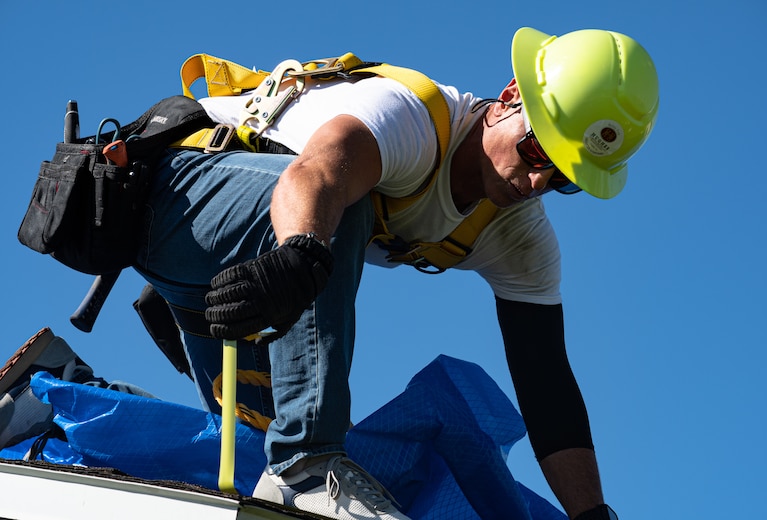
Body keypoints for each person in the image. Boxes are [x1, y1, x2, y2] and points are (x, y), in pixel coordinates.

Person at [133, 26, 658, 520]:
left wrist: (591, 515)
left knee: (252, 463)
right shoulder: (413, 119)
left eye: (564, 178)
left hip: (240, 274)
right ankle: (309, 465)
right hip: (172, 194)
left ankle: (284, 470)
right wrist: (299, 255)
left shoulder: (519, 236)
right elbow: (317, 174)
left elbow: (547, 384)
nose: (538, 180)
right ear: (510, 97)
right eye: (537, 150)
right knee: (342, 205)